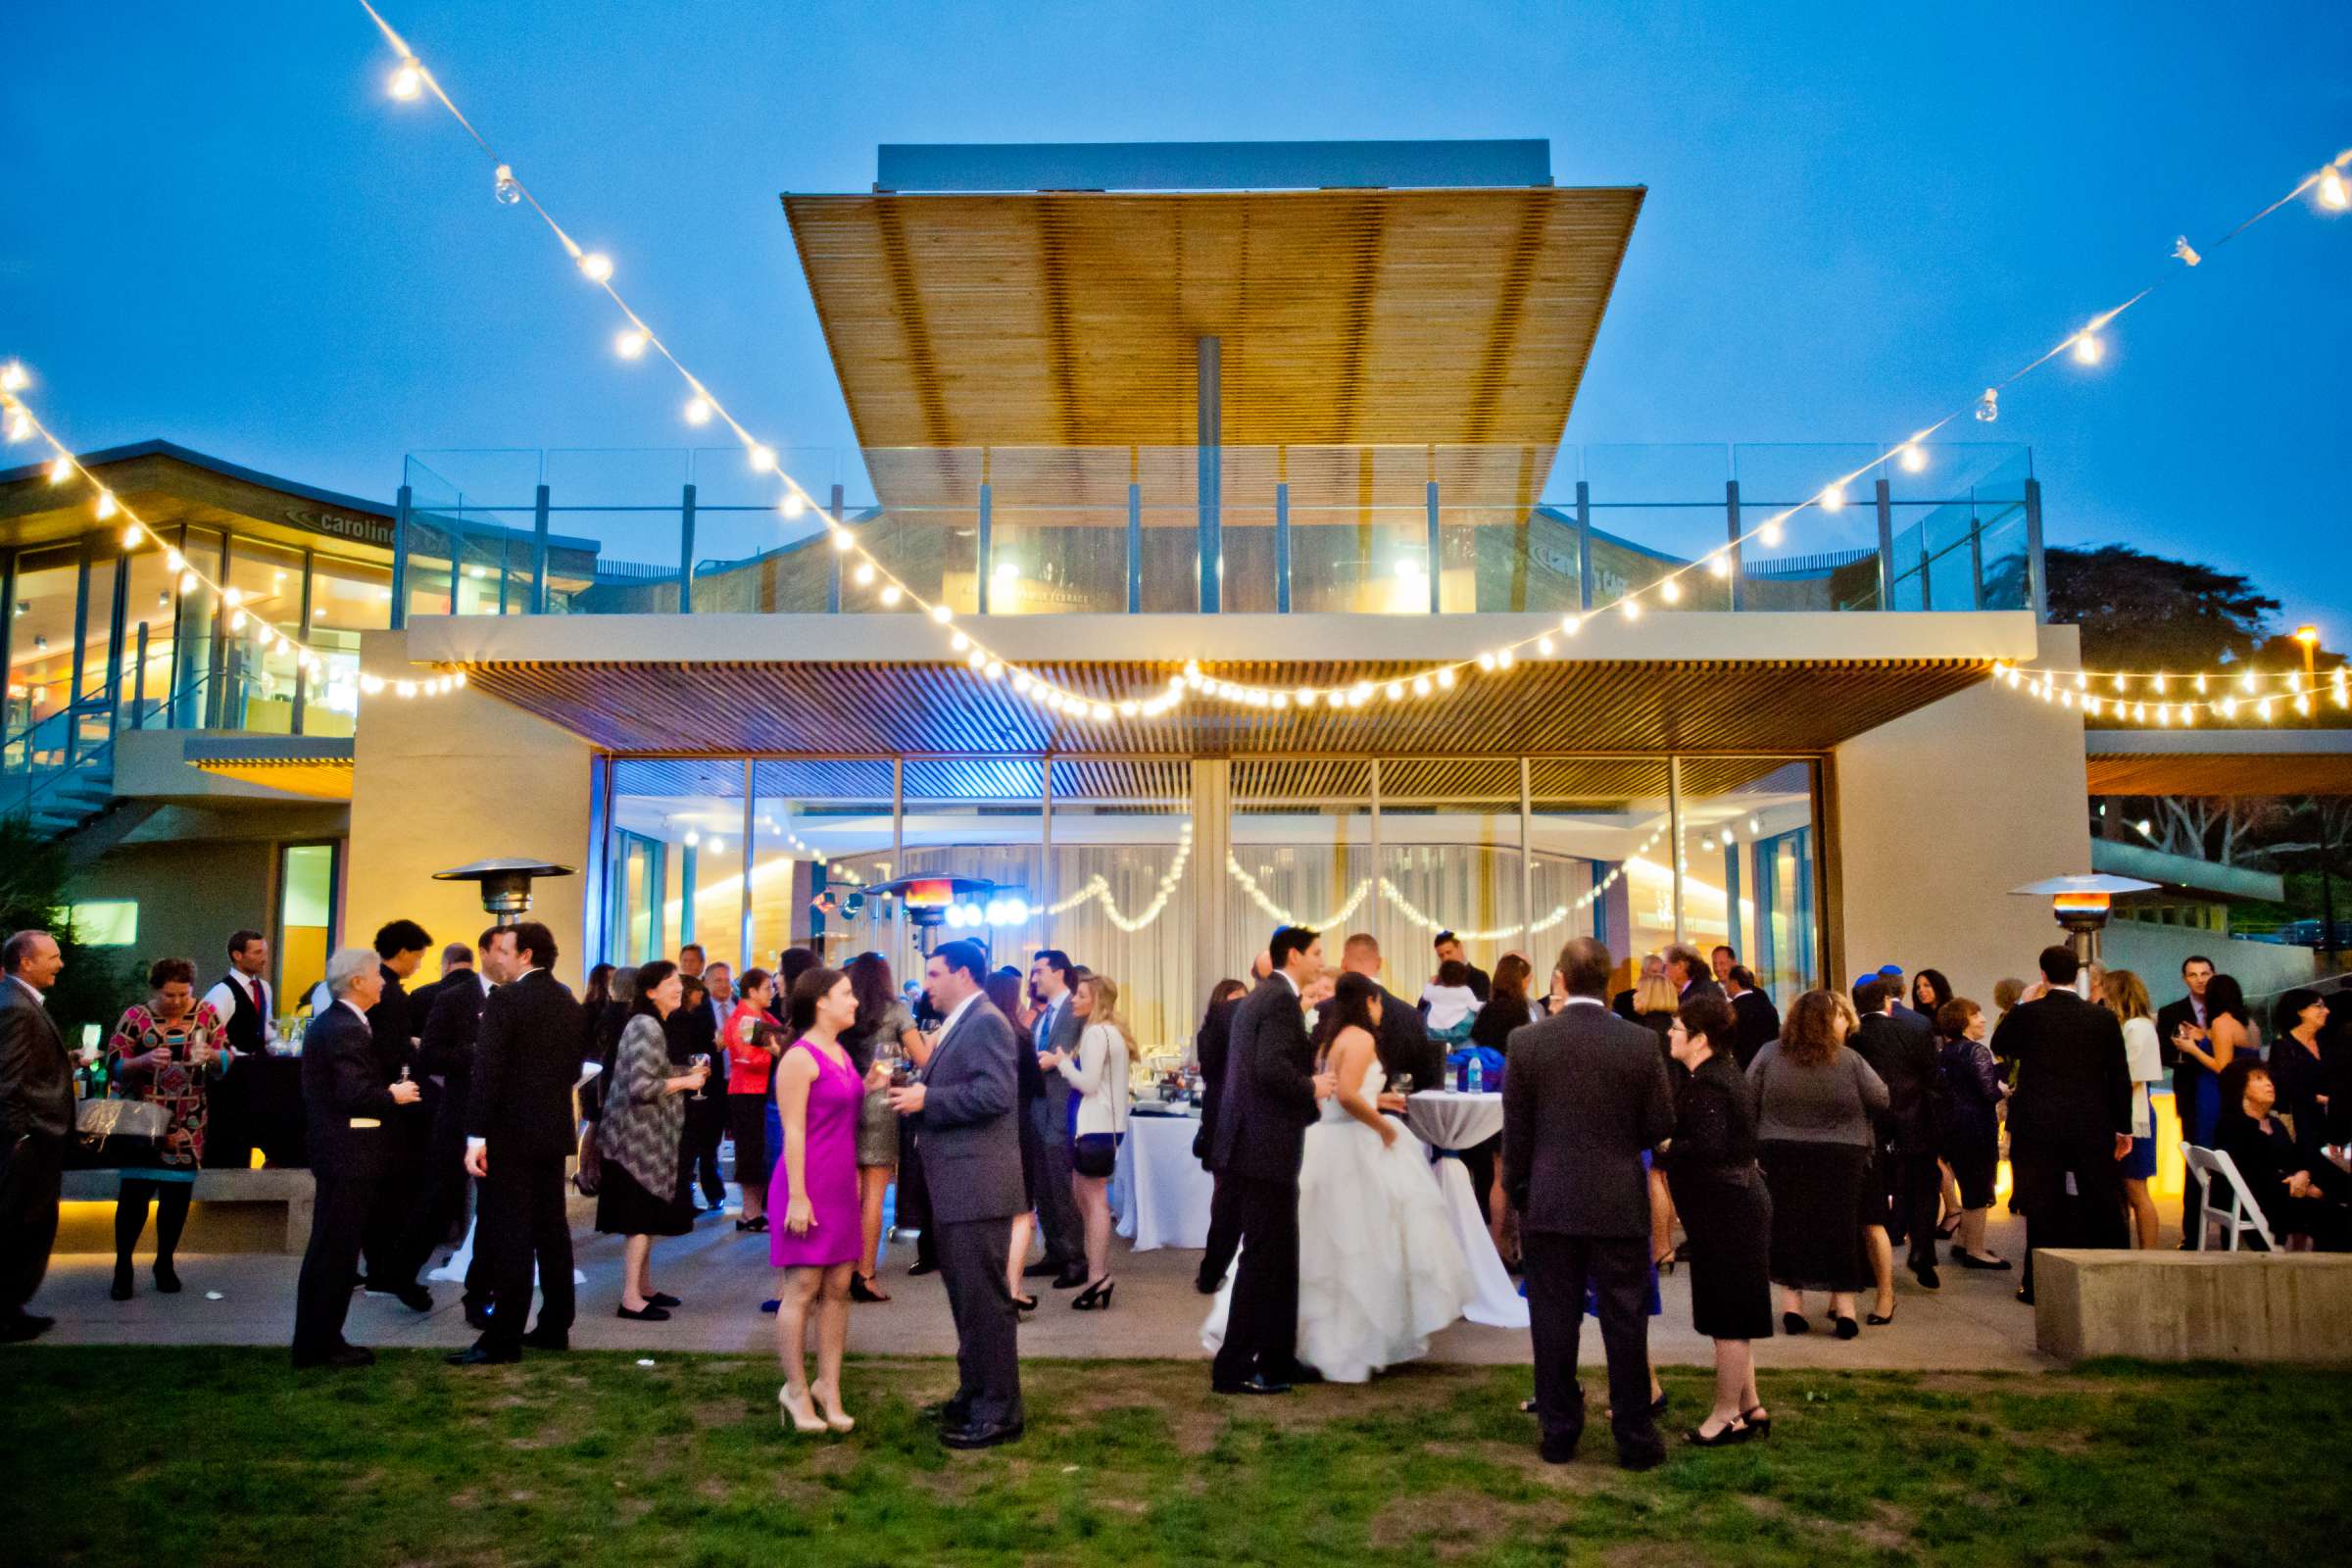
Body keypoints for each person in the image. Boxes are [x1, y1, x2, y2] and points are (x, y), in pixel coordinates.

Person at [1210, 971, 1471, 1380]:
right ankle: (1349, 1341)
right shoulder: (1363, 1039)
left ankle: (1292, 1341)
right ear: (1368, 1002)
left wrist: (1378, 1098)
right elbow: (1348, 1096)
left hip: (1321, 1144)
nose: (1382, 1009)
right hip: (1352, 1145)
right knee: (1361, 1248)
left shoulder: (1331, 1038)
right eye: (1379, 1001)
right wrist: (1382, 1124)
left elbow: (1334, 1090)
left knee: (1314, 1251)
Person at [1502, 936, 1675, 1470]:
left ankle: (1558, 1433)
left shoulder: (1527, 1043)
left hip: (1551, 1201)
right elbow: (1660, 1125)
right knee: (1625, 1323)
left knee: (1553, 1324)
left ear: (1562, 978)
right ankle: (1634, 1436)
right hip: (1617, 1200)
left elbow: (1518, 1133)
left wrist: (1522, 1197)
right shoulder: (1640, 1044)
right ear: (1609, 981)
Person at [886, 939, 1027, 1449]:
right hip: (958, 1184)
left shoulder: (986, 1020)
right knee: (967, 1302)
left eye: (934, 973)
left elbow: (994, 1094)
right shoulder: (966, 1020)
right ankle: (975, 1394)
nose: (927, 984)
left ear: (964, 974)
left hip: (977, 1184)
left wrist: (929, 1097)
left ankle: (999, 1411)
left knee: (985, 1304)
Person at [1207, 925, 1338, 1396]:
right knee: (1264, 1256)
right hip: (1265, 1148)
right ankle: (1235, 1366)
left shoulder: (1262, 998)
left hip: (1252, 1144)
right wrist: (1313, 1088)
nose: (1322, 960)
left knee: (1279, 1255)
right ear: (1295, 955)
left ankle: (1278, 1357)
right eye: (1318, 952)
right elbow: (1270, 1067)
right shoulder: (1280, 1000)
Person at [450, 921, 585, 1364]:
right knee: (551, 1232)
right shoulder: (567, 1000)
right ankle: (554, 1325)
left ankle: (502, 1337)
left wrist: (475, 1135)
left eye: (505, 951)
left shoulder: (506, 1000)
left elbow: (486, 1074)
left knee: (511, 1236)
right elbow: (571, 1071)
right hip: (551, 1133)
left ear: (526, 955)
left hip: (510, 1136)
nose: (498, 959)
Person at [290, 948, 422, 1368]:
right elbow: (353, 1095)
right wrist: (394, 1095)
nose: (384, 981)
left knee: (334, 1249)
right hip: (347, 1153)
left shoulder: (340, 1024)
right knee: (336, 1250)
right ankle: (321, 1344)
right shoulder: (345, 1028)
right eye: (376, 975)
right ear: (358, 983)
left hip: (339, 1153)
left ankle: (321, 1340)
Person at [770, 965, 882, 1432]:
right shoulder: (799, 1057)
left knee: (839, 1289)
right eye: (846, 994)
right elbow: (793, 1130)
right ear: (820, 1001)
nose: (854, 1001)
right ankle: (795, 1390)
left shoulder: (838, 1051)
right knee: (802, 1289)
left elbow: (839, 1111)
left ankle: (828, 1387)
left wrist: (870, 1086)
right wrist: (798, 1196)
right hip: (806, 1184)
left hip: (839, 1184)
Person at [1659, 993, 1774, 1446]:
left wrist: (1668, 1148)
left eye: (1677, 1029)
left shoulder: (1710, 1083)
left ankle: (1726, 1414)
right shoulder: (1717, 1075)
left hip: (1729, 1209)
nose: (1670, 1034)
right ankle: (1749, 1404)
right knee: (1731, 1312)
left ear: (1700, 1039)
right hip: (1730, 1206)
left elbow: (1707, 1147)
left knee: (1729, 1316)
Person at [1994, 945, 2132, 1305]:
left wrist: (2022, 1003)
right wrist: (2123, 1126)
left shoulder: (2030, 1015)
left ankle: (2038, 1283)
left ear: (2042, 976)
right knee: (2100, 1199)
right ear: (2077, 975)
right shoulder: (2100, 1018)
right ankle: (2116, 1275)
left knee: (2042, 1205)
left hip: (2038, 1122)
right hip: (2090, 1120)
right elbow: (2119, 1074)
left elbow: (2000, 1043)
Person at [1747, 989, 1887, 1340]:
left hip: (1781, 1150)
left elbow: (1747, 1095)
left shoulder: (1769, 1054)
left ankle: (1792, 1306)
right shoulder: (1849, 1060)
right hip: (1841, 1153)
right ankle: (1845, 1309)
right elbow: (1880, 1097)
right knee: (1839, 1228)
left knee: (1788, 1225)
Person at [103, 957, 229, 1300]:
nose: (176, 1002)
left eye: (183, 994)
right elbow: (113, 1064)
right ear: (154, 989)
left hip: (188, 1118)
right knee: (134, 1197)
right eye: (169, 995)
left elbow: (226, 1058)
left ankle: (165, 1262)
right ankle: (123, 1266)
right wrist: (142, 1062)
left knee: (176, 1197)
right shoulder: (135, 1018)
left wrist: (213, 1057)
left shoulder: (206, 1014)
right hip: (142, 1120)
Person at [596, 960, 709, 1321]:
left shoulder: (652, 1023)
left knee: (645, 1220)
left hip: (643, 1141)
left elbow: (650, 1074)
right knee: (639, 1221)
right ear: (650, 992)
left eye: (678, 981)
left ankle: (643, 1288)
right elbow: (641, 1087)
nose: (679, 987)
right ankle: (631, 1298)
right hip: (635, 1144)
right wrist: (686, 1082)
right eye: (670, 982)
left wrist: (682, 1072)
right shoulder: (645, 1025)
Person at [412, 925, 509, 1329]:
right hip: (457, 1112)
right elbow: (430, 1056)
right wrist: (474, 1052)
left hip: (499, 1118)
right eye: (501, 950)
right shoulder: (454, 999)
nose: (508, 959)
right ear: (484, 952)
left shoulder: (516, 999)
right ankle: (400, 1271)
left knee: (494, 1205)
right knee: (439, 1197)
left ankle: (479, 1293)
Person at [1850, 975, 1946, 1296]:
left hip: (1871, 1125)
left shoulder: (1853, 1036)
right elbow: (1933, 1077)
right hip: (1913, 1120)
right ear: (1889, 1002)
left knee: (1870, 1194)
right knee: (1922, 1187)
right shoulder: (1918, 1027)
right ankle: (1922, 1250)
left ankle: (1867, 1266)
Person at [0, 930, 72, 1342]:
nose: (59, 964)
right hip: (28, 1142)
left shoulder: (19, 1002)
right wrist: (19, 1138)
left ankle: (12, 1309)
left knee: (29, 1226)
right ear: (26, 962)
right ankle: (4, 1313)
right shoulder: (16, 1007)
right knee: (20, 1227)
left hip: (33, 1139)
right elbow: (5, 1080)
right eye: (53, 957)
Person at [359, 917, 432, 1310]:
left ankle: (378, 1266)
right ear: (403, 952)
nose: (420, 963)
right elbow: (391, 1051)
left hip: (383, 1097)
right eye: (419, 955)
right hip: (392, 1101)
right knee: (393, 1191)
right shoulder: (389, 993)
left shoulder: (382, 990)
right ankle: (381, 1269)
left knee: (387, 1192)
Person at [1049, 972, 1135, 1308]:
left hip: (1094, 1128)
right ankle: (1096, 1275)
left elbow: (1088, 1083)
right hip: (1100, 1127)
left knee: (1094, 1204)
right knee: (1088, 1201)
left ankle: (1098, 1276)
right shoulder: (1108, 1032)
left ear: (1095, 1000)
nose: (1073, 999)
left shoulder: (1098, 1033)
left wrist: (1063, 1063)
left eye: (1080, 994)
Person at [840, 953, 919, 1302]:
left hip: (843, 1099)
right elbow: (923, 1057)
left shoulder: (843, 1009)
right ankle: (865, 1273)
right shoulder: (896, 1011)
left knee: (848, 1194)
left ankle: (840, 1270)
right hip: (880, 1104)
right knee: (875, 1195)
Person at [2214, 1058, 2348, 1249]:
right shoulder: (2234, 1126)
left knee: (2314, 1161)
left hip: (2285, 1192)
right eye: (2259, 1079)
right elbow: (2256, 1178)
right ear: (2241, 1088)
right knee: (2339, 1219)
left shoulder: (2273, 1124)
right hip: (2265, 1204)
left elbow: (2295, 1159)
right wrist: (2306, 1189)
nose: (2269, 1083)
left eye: (2268, 1078)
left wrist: (2304, 1174)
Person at [1025, 950, 1088, 1289]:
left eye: (1039, 972)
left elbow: (1059, 1057)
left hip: (1062, 1107)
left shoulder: (1075, 1009)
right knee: (1043, 1186)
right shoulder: (1041, 1015)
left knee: (1062, 1187)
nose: (1034, 978)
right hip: (1037, 1108)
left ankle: (1075, 1258)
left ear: (1059, 973)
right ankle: (1054, 1252)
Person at [1933, 998, 2010, 1270]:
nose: (1983, 1019)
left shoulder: (1946, 1051)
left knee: (1966, 1183)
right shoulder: (1976, 1051)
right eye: (1976, 1014)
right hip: (1976, 1125)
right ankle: (1975, 1250)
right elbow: (1988, 1091)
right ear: (1964, 1022)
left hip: (1953, 1126)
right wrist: (2006, 1089)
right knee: (1978, 1187)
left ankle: (1963, 1241)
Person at [990, 967, 1050, 1311]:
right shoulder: (1020, 1035)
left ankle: (996, 1285)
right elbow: (1035, 1087)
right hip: (1019, 1127)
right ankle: (1013, 1286)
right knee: (1023, 1212)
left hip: (988, 1129)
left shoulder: (979, 1033)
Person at [1191, 976, 1251, 1295]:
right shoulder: (1211, 1036)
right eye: (1233, 1002)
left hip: (1230, 1119)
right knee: (1225, 1195)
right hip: (1220, 1120)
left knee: (1230, 1197)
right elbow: (1213, 1072)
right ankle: (1214, 1266)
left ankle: (1219, 1265)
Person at [1340, 933, 1446, 1103]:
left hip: (1341, 1114)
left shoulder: (1328, 1009)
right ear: (1379, 963)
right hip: (1395, 1111)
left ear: (1343, 965)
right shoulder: (1410, 1015)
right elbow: (1425, 1074)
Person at [2103, 969, 2165, 1249]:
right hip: (2128, 1111)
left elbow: (2131, 1075)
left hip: (2134, 1116)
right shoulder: (2133, 1026)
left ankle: (2149, 1254)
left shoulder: (2138, 1027)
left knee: (2137, 1190)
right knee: (2129, 1191)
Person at [2156, 955, 2218, 1235]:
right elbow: (2164, 1052)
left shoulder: (2225, 1009)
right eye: (2193, 975)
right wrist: (2187, 1050)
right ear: (2185, 979)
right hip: (2192, 1092)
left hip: (2222, 1091)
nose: (2200, 980)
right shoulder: (2172, 1011)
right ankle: (2193, 1232)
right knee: (2195, 1161)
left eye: (2204, 974)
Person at [724, 967, 781, 1234]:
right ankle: (750, 1212)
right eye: (768, 987)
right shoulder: (744, 1019)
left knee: (761, 1150)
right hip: (747, 1092)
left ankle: (756, 1210)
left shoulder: (764, 1016)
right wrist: (775, 1052)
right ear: (752, 991)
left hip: (763, 1091)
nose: (772, 991)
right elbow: (746, 1058)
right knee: (750, 1151)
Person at [665, 967, 726, 1215]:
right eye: (699, 993)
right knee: (688, 1145)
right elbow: (684, 1054)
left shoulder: (681, 1018)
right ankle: (682, 1200)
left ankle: (685, 1198)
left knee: (694, 1145)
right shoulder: (683, 1020)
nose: (702, 999)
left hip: (694, 1088)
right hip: (688, 1090)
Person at [2267, 989, 2336, 1164]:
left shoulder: (2325, 1041)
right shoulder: (2283, 1047)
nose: (2326, 1011)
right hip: (2302, 1123)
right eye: (2318, 1006)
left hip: (2331, 1119)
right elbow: (2285, 1089)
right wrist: (2320, 1099)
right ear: (2300, 1011)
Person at [1723, 965, 1781, 1071]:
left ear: (1734, 983)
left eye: (1727, 982)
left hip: (1742, 1070)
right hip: (1769, 1068)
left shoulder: (1730, 1011)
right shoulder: (1767, 1006)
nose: (1725, 987)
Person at [1419, 959, 1480, 1037]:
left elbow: (1425, 995)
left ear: (1441, 977)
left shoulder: (1436, 991)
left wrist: (1430, 982)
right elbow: (1475, 1006)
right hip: (1458, 1028)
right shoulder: (1465, 991)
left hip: (1436, 1028)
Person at [1433, 931, 1491, 1002]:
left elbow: (1481, 1008)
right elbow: (1423, 1007)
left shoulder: (1479, 977)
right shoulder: (1438, 981)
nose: (1445, 958)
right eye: (1441, 956)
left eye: (1449, 952)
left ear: (1460, 947)